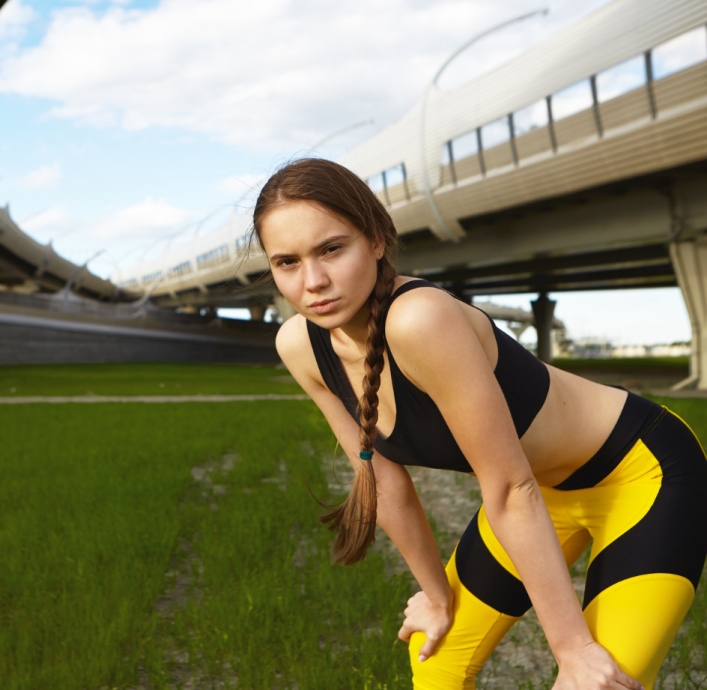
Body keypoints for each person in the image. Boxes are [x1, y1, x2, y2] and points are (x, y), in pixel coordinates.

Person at [253, 158, 707, 690]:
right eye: (287, 262)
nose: (314, 282)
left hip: (641, 475)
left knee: (594, 684)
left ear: (377, 240)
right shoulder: (300, 346)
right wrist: (437, 597)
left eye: (332, 248)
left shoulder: (420, 318)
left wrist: (574, 649)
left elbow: (510, 488)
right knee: (437, 663)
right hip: (541, 492)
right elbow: (384, 479)